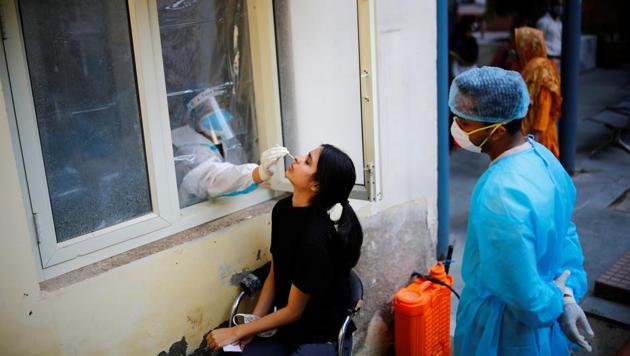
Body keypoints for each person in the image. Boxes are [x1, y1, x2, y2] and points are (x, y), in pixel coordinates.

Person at [449, 67, 593, 355]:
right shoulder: (542, 157)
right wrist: (566, 294)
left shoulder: (500, 194)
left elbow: (525, 297)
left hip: (504, 333)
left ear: (498, 130)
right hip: (541, 330)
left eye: (463, 123)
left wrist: (552, 300)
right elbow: (565, 233)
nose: (455, 128)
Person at [206, 144, 363, 355]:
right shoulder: (282, 210)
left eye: (308, 161)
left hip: (319, 335)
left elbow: (293, 311)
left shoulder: (314, 238)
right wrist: (252, 326)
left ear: (316, 186)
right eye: (305, 155)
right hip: (286, 328)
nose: (297, 158)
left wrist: (236, 331)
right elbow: (274, 273)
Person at [514, 26, 563, 157]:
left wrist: (535, 137)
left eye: (519, 46)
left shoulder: (540, 69)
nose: (516, 50)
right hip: (535, 136)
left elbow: (544, 106)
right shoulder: (533, 66)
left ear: (528, 46)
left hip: (539, 138)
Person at [537, 0, 563, 69]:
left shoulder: (559, 22)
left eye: (561, 5)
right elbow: (539, 41)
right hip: (549, 57)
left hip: (559, 58)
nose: (560, 7)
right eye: (557, 5)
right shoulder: (543, 22)